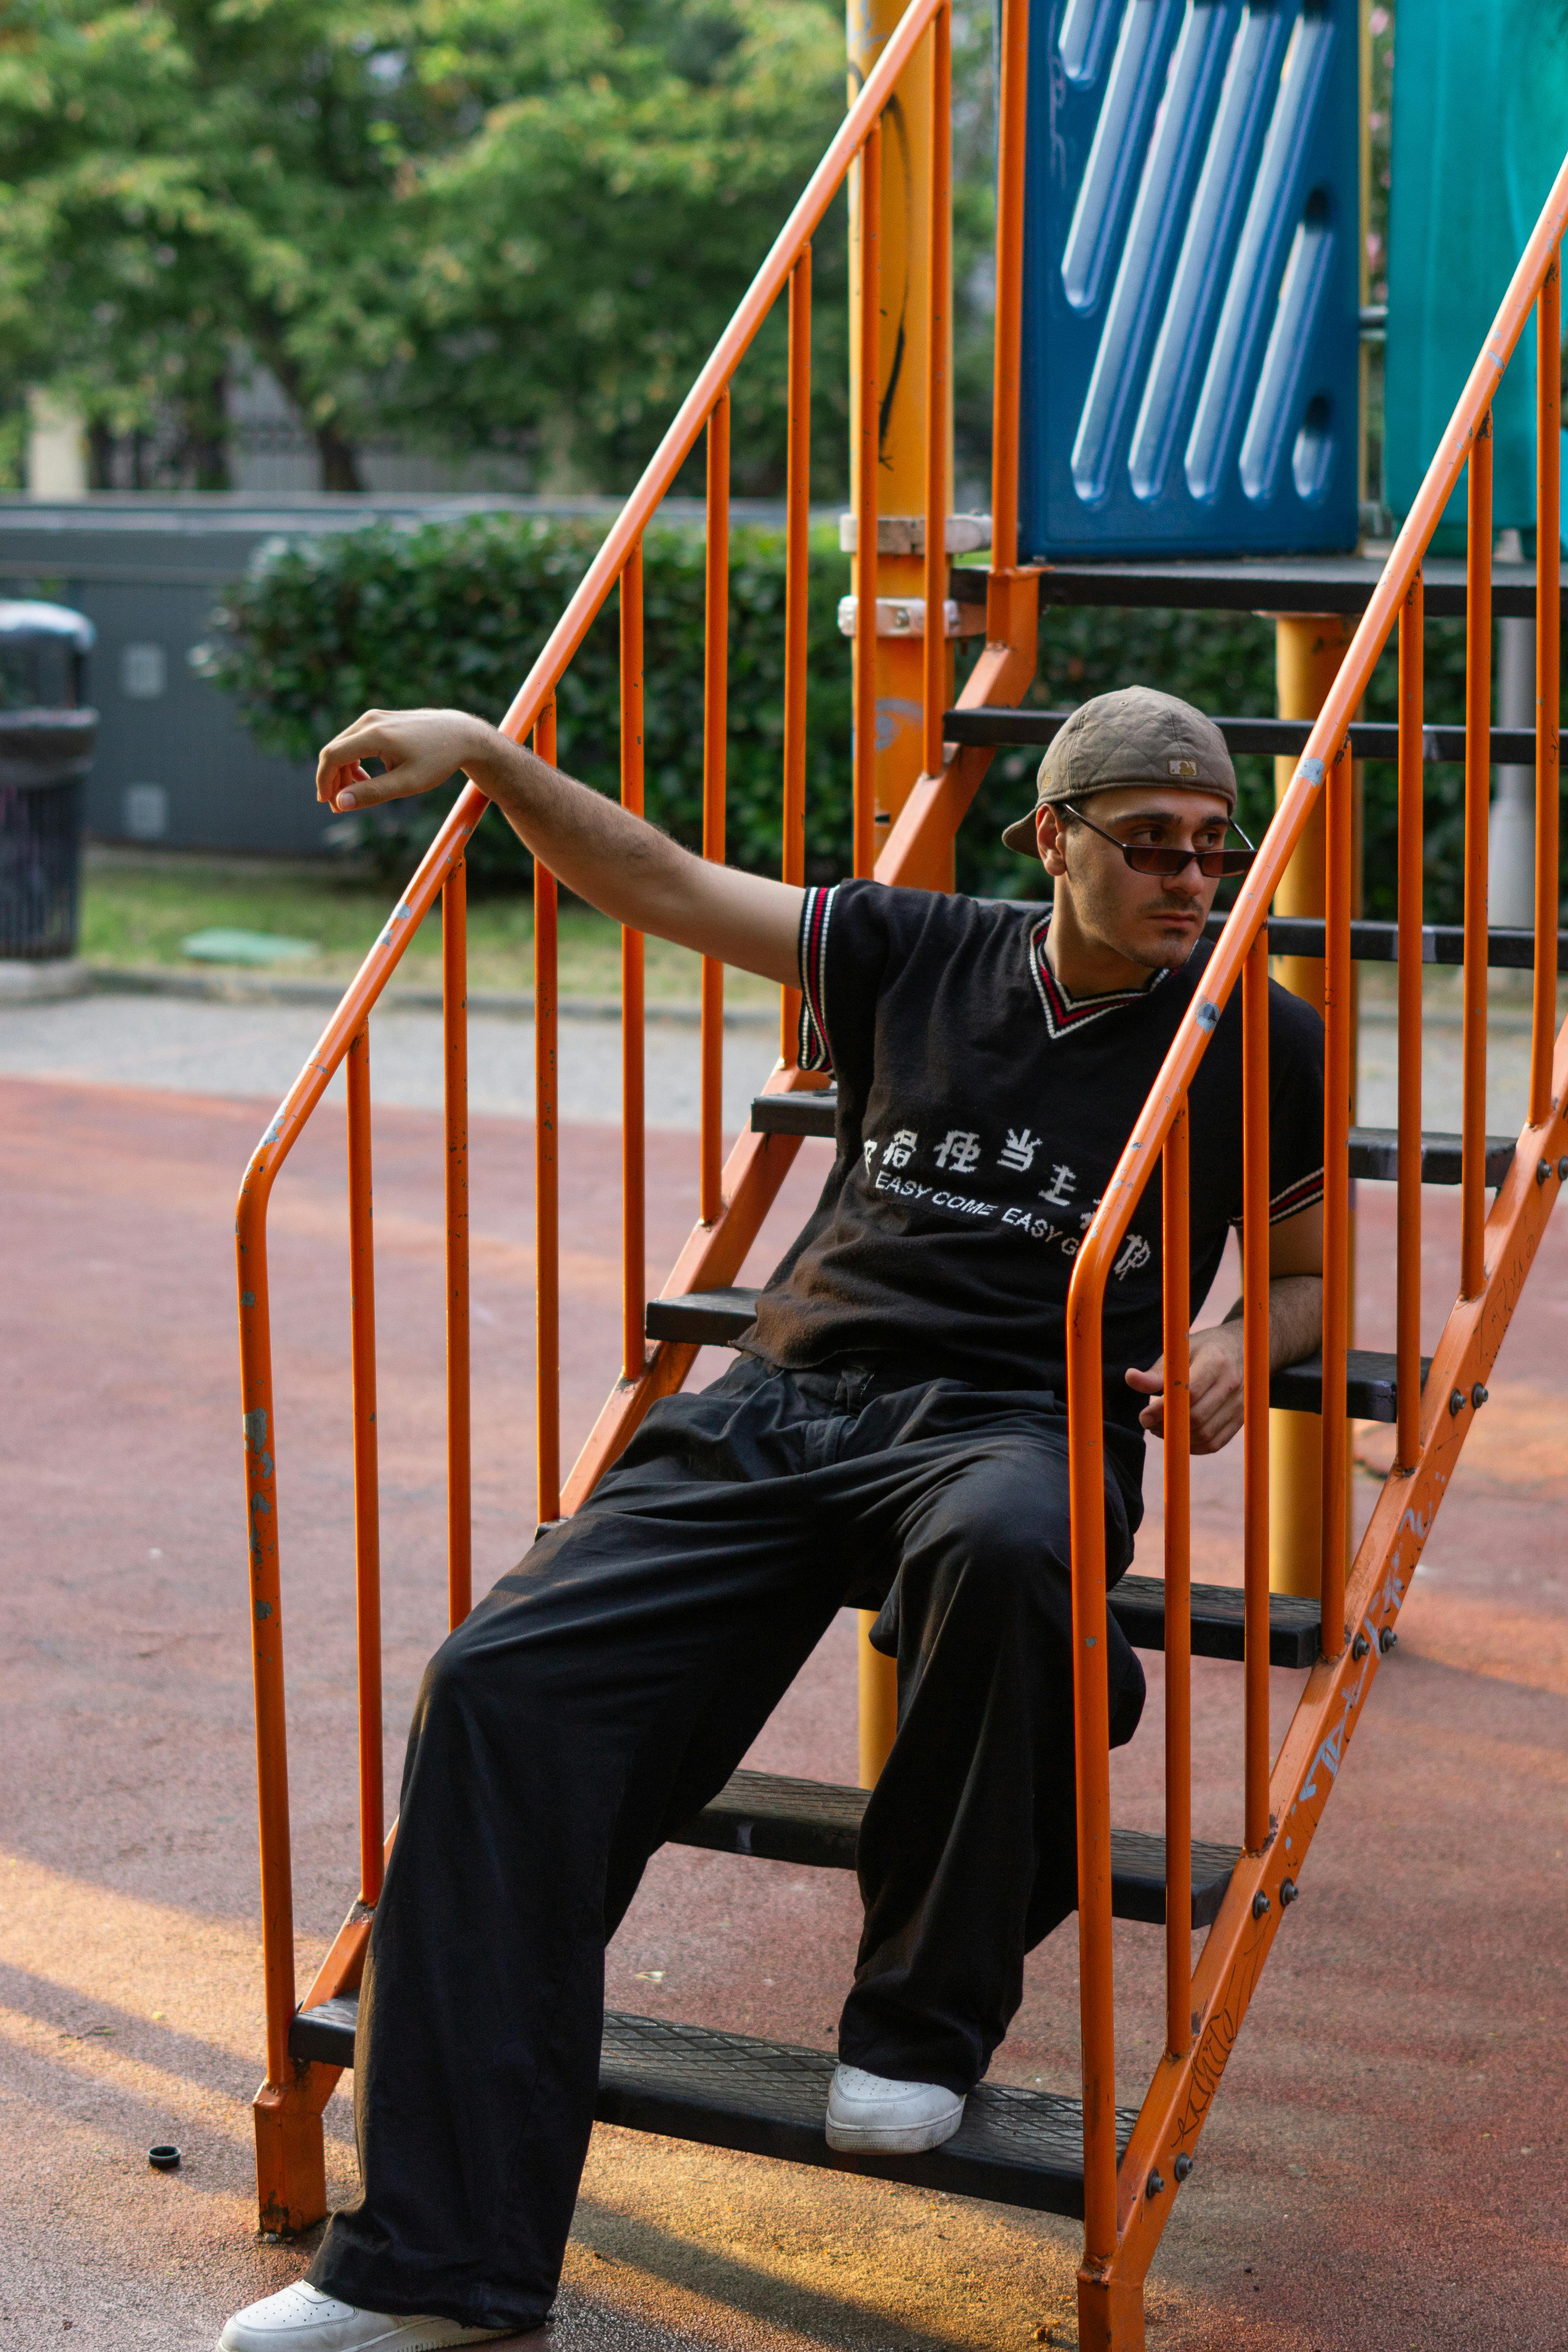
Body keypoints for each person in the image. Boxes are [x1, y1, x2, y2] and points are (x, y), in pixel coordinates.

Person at [220, 686, 1324, 2352]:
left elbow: (1311, 1282)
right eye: (1152, 845)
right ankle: (433, 2271)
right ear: (1052, 839)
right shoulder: (916, 946)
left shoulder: (1263, 1034)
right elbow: (664, 881)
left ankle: (919, 2024)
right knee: (498, 1687)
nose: (1192, 880)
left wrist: (1250, 1337)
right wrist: (500, 760)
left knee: (1013, 1555)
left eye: (1213, 848)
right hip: (786, 1397)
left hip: (1025, 1419)